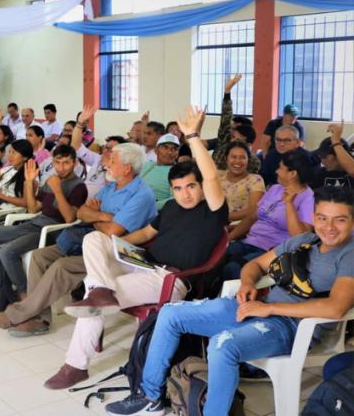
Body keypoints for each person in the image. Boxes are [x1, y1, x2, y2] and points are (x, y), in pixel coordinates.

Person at [108, 186, 354, 416]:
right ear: (314, 216)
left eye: (340, 220)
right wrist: (248, 284)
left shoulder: (349, 255)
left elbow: (336, 307)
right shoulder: (303, 242)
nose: (329, 227)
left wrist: (268, 308)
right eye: (322, 218)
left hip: (291, 326)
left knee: (222, 345)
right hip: (258, 310)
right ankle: (150, 396)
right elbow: (255, 265)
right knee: (170, 313)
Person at [48, 107, 229, 392]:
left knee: (94, 296)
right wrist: (115, 247)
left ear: (201, 187)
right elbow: (145, 234)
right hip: (143, 263)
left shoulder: (213, 211)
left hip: (171, 279)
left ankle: (75, 366)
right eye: (178, 188)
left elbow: (212, 178)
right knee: (93, 240)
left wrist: (193, 135)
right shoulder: (171, 208)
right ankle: (100, 288)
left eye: (191, 187)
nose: (185, 194)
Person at [0, 142, 157, 341]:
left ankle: (15, 315)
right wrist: (102, 217)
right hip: (88, 240)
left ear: (127, 168)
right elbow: (82, 212)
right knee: (39, 256)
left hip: (117, 252)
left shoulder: (141, 195)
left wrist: (95, 218)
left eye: (112, 160)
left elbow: (113, 232)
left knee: (61, 266)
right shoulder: (111, 187)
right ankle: (39, 318)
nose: (106, 164)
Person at [0, 145, 87, 299]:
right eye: (57, 163)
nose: (61, 168)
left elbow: (69, 218)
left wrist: (58, 190)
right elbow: (33, 208)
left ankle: (24, 293)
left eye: (66, 163)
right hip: (34, 223)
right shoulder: (51, 181)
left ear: (74, 163)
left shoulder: (78, 186)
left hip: (53, 231)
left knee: (7, 251)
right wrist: (29, 182)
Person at [224, 150, 316, 279]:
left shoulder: (308, 198)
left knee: (233, 268)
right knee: (217, 257)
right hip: (249, 241)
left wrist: (289, 203)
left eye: (280, 168)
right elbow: (251, 218)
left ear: (293, 173)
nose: (276, 171)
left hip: (272, 251)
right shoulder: (275, 189)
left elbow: (301, 237)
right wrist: (228, 239)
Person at [219, 141, 265, 222]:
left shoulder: (255, 180)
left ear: (248, 160)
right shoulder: (218, 176)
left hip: (241, 225)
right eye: (233, 157)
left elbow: (253, 211)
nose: (237, 161)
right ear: (226, 158)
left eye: (242, 157)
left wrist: (223, 217)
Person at [140, 133, 179, 208]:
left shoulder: (179, 171)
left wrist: (151, 207)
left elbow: (176, 199)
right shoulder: (147, 165)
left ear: (177, 154)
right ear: (156, 150)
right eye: (165, 148)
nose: (169, 152)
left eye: (174, 149)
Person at [313, 123, 354, 190]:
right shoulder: (321, 174)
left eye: (324, 157)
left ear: (339, 156)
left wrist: (335, 141)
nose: (322, 162)